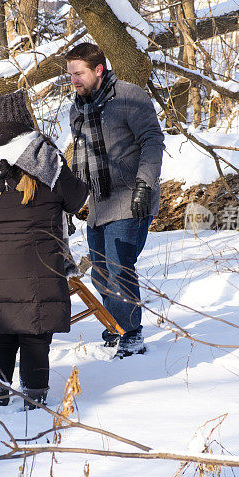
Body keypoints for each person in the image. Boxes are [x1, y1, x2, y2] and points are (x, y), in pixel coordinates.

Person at [0, 92, 88, 409]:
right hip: (38, 266)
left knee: (1, 332)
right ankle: (34, 397)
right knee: (35, 333)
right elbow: (77, 197)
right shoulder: (46, 162)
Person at [65, 42, 165, 358]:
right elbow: (79, 155)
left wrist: (144, 184)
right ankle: (116, 322)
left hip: (130, 196)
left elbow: (153, 141)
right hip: (99, 202)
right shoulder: (76, 110)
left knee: (119, 265)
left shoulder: (129, 97)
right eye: (70, 75)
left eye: (79, 74)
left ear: (98, 70)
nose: (74, 81)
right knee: (100, 271)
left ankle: (131, 334)